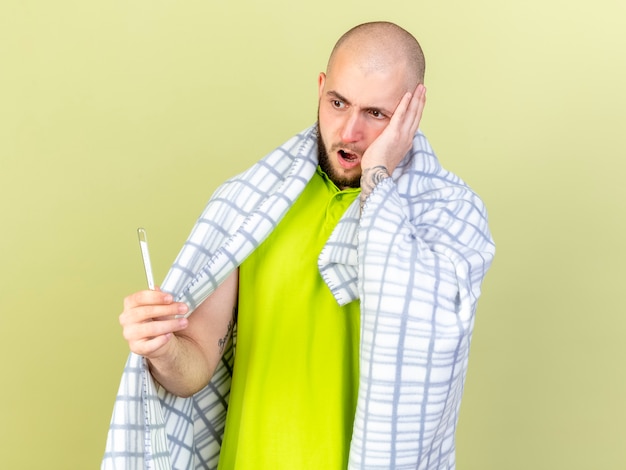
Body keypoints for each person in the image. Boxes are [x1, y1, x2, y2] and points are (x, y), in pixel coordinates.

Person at [103, 21, 495, 470]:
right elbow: (194, 369)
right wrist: (161, 348)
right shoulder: (253, 204)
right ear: (322, 87)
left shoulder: (448, 216)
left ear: (411, 112)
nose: (349, 131)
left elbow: (423, 333)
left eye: (376, 114)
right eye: (338, 103)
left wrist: (378, 178)